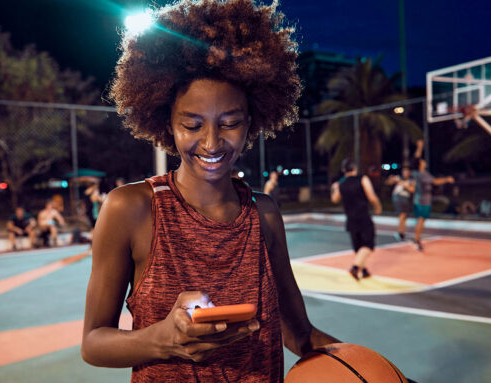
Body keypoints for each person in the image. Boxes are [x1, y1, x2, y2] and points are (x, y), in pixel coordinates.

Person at [81, 1, 340, 381]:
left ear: (251, 122)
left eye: (230, 123)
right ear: (167, 123)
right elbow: (93, 343)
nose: (212, 142)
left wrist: (370, 366)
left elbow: (299, 333)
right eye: (192, 124)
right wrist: (163, 340)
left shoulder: (264, 214)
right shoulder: (132, 209)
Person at [331, 158, 382, 280]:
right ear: (354, 168)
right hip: (363, 217)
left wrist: (334, 188)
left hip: (350, 219)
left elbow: (334, 199)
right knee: (368, 245)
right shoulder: (362, 179)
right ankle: (355, 268)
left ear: (344, 170)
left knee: (358, 246)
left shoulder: (341, 184)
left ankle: (363, 270)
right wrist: (378, 206)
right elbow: (371, 196)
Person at [410, 157, 455, 251]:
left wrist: (419, 147)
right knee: (421, 220)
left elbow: (415, 157)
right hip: (422, 201)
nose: (424, 161)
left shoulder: (416, 173)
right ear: (419, 164)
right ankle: (417, 240)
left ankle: (417, 238)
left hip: (420, 200)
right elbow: (435, 181)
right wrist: (447, 179)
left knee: (421, 220)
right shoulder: (422, 174)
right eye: (422, 161)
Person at [385, 166, 415, 241]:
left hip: (406, 199)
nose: (405, 173)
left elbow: (412, 189)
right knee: (402, 215)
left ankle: (402, 232)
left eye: (407, 171)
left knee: (404, 216)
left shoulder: (411, 180)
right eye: (404, 171)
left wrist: (401, 182)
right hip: (398, 198)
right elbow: (388, 183)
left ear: (409, 172)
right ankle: (400, 233)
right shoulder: (398, 178)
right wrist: (391, 179)